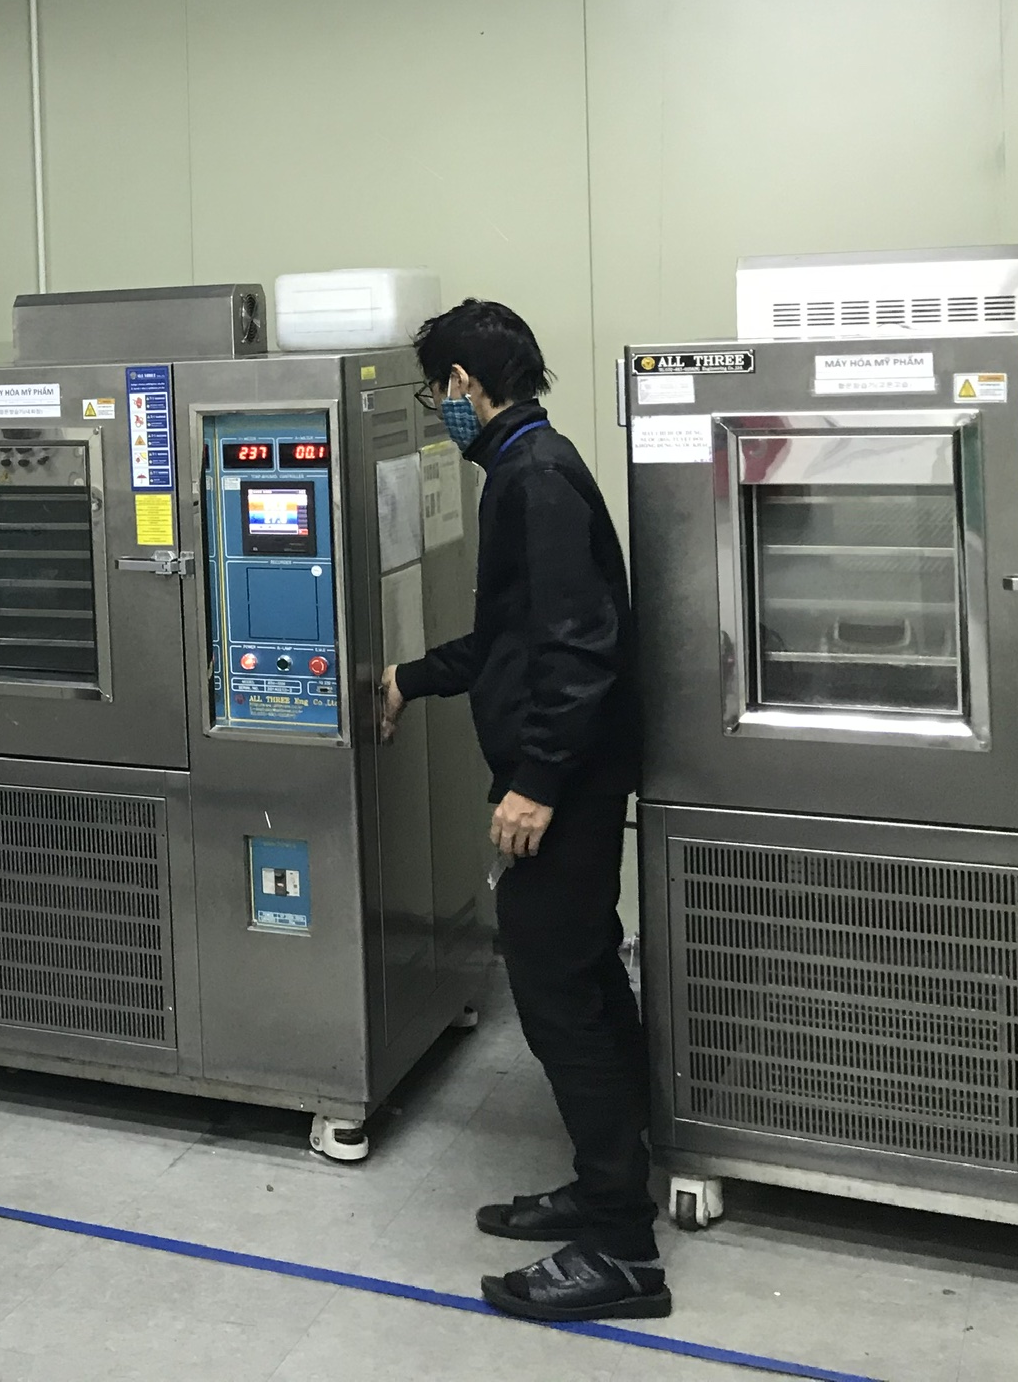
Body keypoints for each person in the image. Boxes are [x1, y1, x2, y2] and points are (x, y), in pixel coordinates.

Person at [377, 299, 661, 1322]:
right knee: (585, 971)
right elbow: (511, 639)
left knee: (554, 991)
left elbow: (578, 647)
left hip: (566, 782)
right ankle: (611, 1178)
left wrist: (535, 781)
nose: (436, 408)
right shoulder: (525, 464)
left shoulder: (533, 478)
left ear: (463, 383)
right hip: (573, 769)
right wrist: (411, 676)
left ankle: (623, 1250)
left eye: (435, 390)